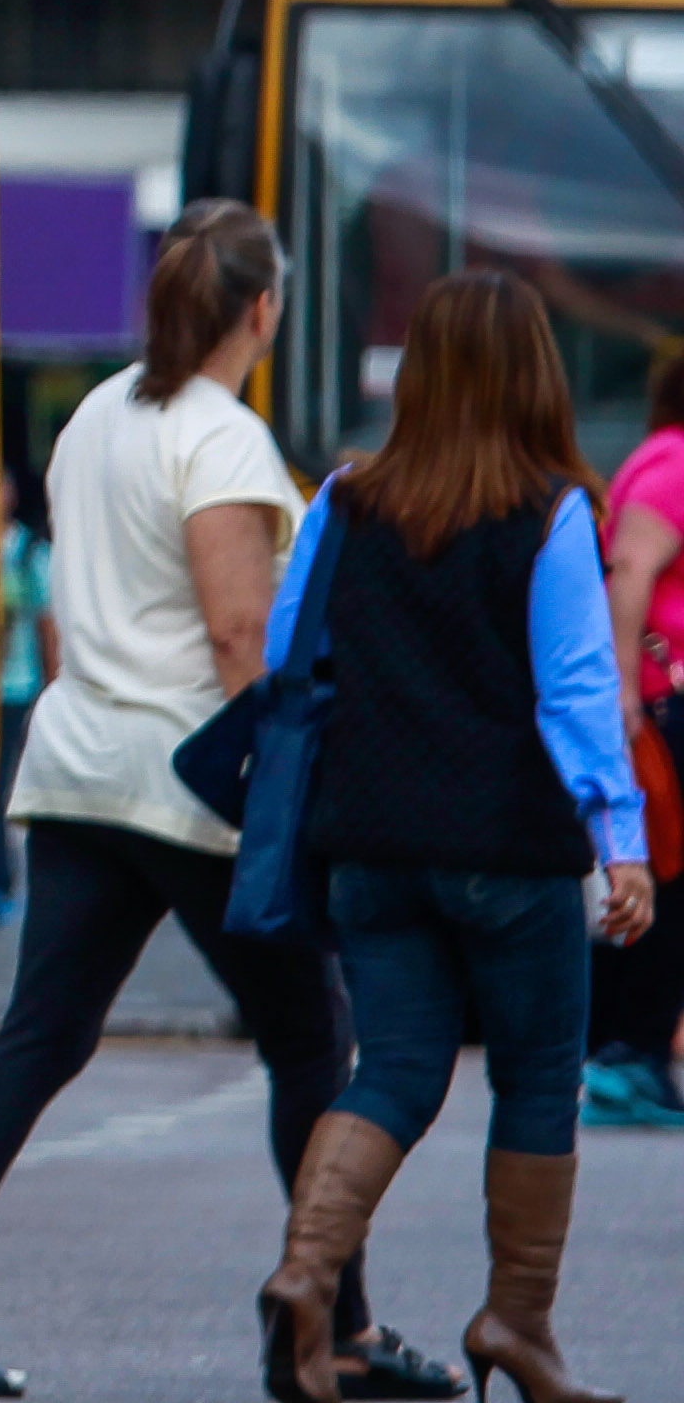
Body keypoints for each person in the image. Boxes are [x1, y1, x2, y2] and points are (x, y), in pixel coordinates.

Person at [0, 205, 451, 1403]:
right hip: (193, 787)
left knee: (40, 1037)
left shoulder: (97, 416)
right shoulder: (224, 442)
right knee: (311, 1045)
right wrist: (297, 786)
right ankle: (329, 1328)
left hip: (82, 767)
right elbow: (240, 635)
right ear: (263, 312)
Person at [255, 272, 657, 1403]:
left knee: (391, 1072)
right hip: (511, 852)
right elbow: (576, 692)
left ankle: (304, 1269)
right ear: (534, 374)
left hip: (369, 848)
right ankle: (516, 1324)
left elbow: (291, 661)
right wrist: (619, 838)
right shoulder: (549, 512)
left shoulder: (345, 499)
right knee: (536, 1081)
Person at [581, 341, 684, 1130]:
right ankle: (631, 1057)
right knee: (668, 884)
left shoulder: (657, 456)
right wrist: (622, 690)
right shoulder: (676, 464)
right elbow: (630, 573)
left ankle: (627, 1052)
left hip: (653, 704)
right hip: (664, 708)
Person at [0, 490, 48, 927]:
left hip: (19, 688)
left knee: (5, 787)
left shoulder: (29, 552)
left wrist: (52, 689)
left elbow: (47, 624)